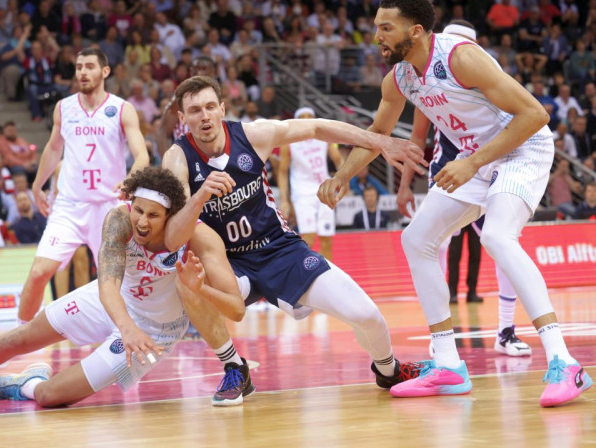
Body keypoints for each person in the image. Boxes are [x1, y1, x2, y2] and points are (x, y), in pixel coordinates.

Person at [318, 0, 590, 406]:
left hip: (521, 148)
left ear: (415, 32)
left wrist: (473, 162)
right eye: (377, 27)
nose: (377, 37)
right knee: (416, 240)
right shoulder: (400, 79)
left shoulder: (462, 58)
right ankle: (447, 364)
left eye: (386, 28)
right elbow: (377, 132)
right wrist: (341, 176)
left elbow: (534, 115)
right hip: (474, 158)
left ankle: (565, 362)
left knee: (498, 236)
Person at [162, 75, 428, 406]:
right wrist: (201, 195)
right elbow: (174, 238)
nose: (204, 116)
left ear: (222, 109)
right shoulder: (177, 158)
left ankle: (388, 369)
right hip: (229, 263)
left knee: (367, 315)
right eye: (194, 110)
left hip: (279, 250)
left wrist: (379, 140)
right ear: (182, 118)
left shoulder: (251, 134)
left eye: (210, 107)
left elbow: (316, 128)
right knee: (187, 282)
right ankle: (234, 366)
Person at [0, 167, 244, 407]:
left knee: (50, 398)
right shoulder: (119, 221)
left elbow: (236, 309)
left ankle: (25, 384)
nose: (142, 221)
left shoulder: (200, 239)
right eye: (138, 210)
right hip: (116, 305)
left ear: (170, 217)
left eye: (153, 215)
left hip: (155, 332)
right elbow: (106, 286)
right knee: (20, 337)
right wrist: (126, 326)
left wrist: (200, 290)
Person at [397, 19, 533, 357]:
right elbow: (417, 136)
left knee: (503, 245)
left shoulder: (481, 72)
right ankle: (441, 333)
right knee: (434, 245)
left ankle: (506, 329)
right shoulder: (426, 78)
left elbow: (519, 118)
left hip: (492, 162)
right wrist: (404, 185)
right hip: (448, 166)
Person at [15, 48, 149, 327]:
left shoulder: (121, 109)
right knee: (40, 271)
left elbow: (142, 156)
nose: (83, 72)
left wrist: (130, 180)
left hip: (109, 208)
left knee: (114, 282)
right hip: (70, 206)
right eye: (78, 67)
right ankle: (18, 335)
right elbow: (53, 149)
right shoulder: (64, 107)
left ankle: (124, 335)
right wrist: (38, 186)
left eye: (89, 66)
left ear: (105, 71)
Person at [276, 106, 343, 260]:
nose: (306, 119)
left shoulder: (324, 138)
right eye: (302, 116)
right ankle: (304, 274)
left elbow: (338, 158)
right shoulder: (288, 142)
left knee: (327, 239)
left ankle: (327, 276)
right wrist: (285, 200)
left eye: (309, 116)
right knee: (309, 238)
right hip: (302, 194)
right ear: (297, 121)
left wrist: (342, 180)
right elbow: (282, 171)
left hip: (325, 191)